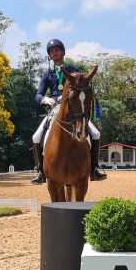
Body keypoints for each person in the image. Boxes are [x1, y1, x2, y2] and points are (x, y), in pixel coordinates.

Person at [30, 38, 106, 184]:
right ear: (50, 55)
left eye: (57, 50)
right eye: (52, 51)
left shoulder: (73, 70)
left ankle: (94, 169)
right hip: (55, 109)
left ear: (63, 52)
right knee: (36, 137)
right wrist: (45, 99)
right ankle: (40, 171)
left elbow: (81, 89)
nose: (55, 53)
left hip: (73, 108)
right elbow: (38, 94)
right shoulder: (47, 74)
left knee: (96, 133)